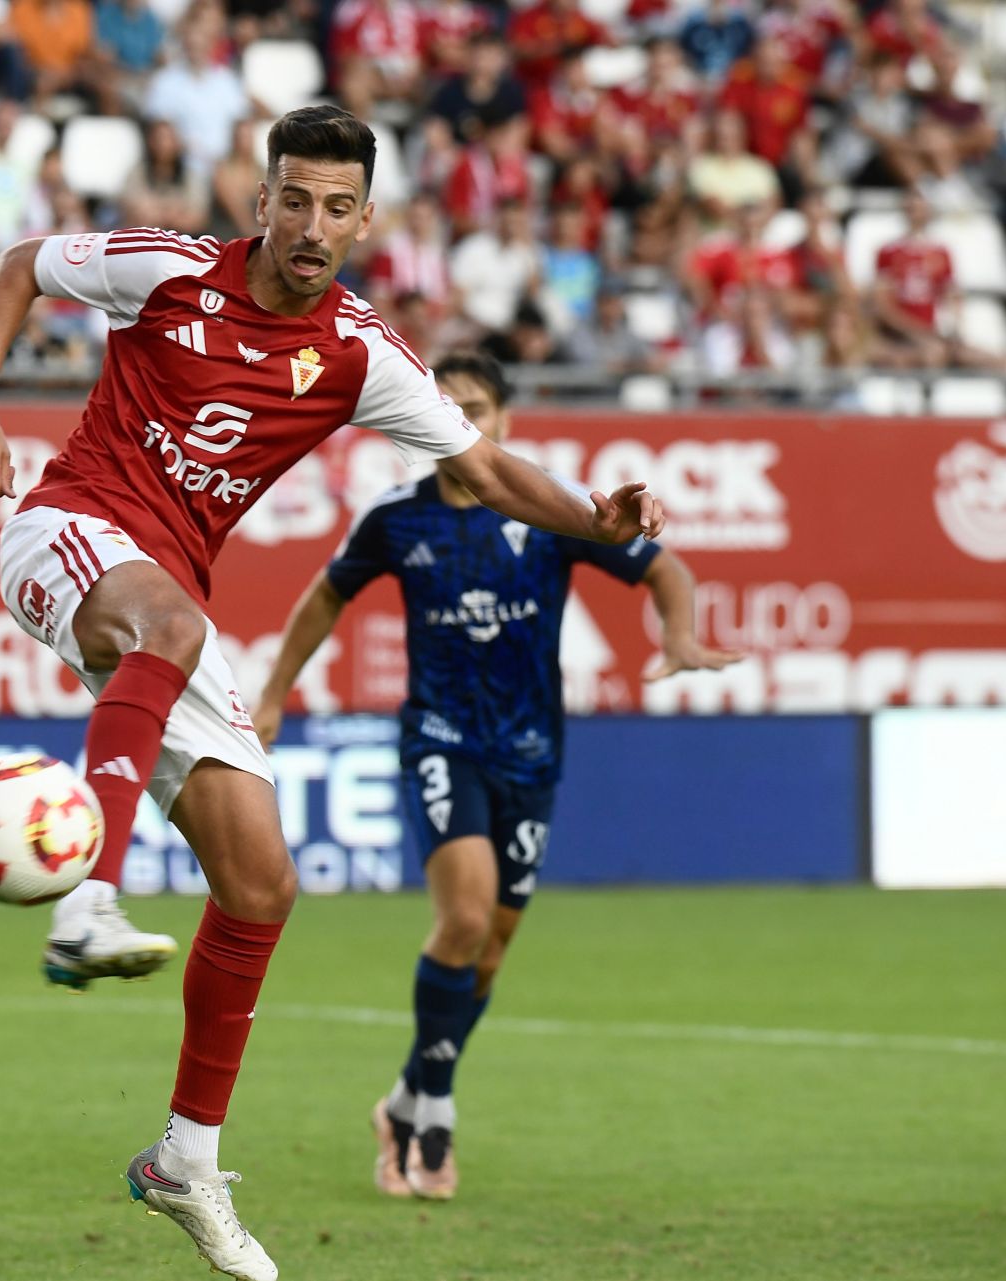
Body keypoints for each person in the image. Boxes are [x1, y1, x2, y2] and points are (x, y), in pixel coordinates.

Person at [0, 105, 664, 1281]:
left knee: (263, 883)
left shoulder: (357, 350)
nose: (312, 224)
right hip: (64, 529)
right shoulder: (168, 270)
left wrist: (596, 519)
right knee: (172, 624)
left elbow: (479, 467)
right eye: (294, 199)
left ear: (367, 219)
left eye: (338, 206)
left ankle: (186, 1157)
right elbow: (21, 265)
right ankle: (87, 899)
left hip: (167, 616)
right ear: (262, 201)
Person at [252, 351, 737, 1204]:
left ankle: (402, 1096)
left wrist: (679, 634)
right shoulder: (398, 519)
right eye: (450, 408)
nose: (462, 422)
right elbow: (326, 597)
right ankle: (435, 1108)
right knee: (465, 914)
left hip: (532, 751)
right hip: (443, 738)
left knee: (493, 946)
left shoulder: (551, 511)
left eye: (477, 407)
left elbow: (661, 564)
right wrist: (273, 692)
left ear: (504, 422)